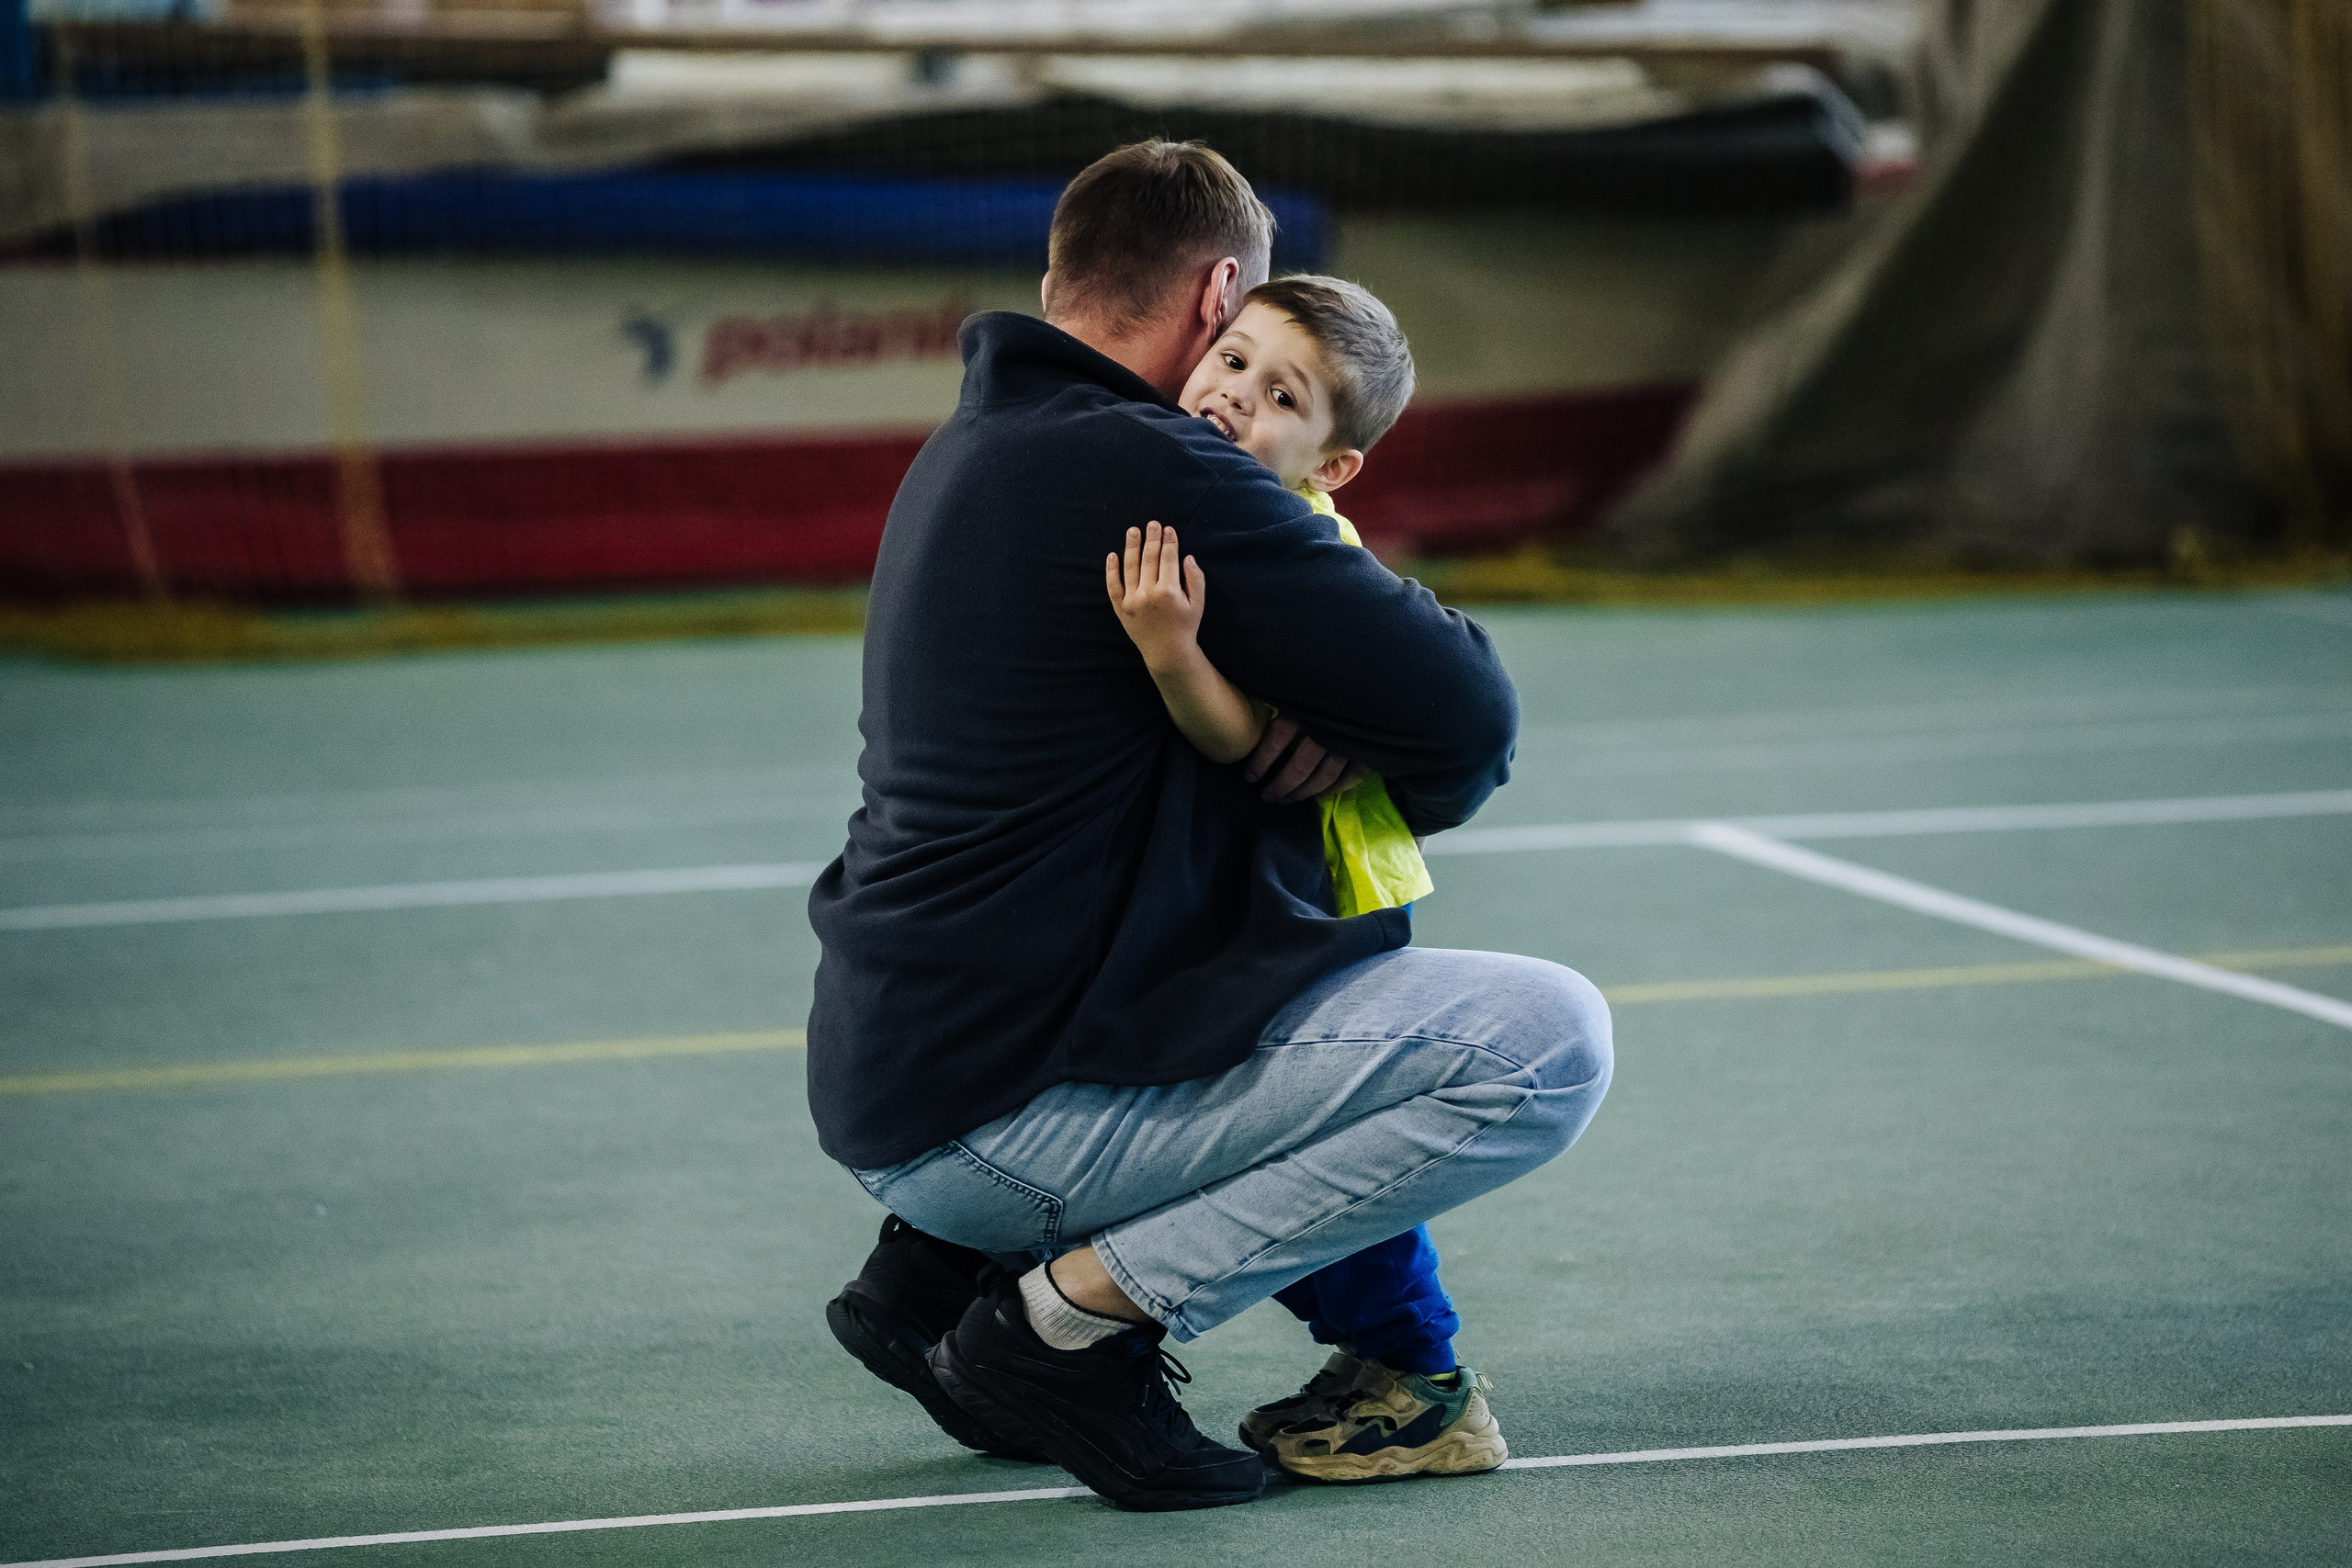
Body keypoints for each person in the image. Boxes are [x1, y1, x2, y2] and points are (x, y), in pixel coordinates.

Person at [808, 141, 1613, 1513]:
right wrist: (1347, 746)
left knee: (1312, 983)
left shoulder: (978, 440)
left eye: (1279, 388)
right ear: (1217, 294)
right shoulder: (1150, 464)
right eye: (1237, 354)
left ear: (1057, 277)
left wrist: (1274, 726)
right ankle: (1068, 1327)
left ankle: (941, 1278)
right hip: (999, 1118)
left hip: (912, 1079)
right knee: (1540, 1045)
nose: (1236, 391)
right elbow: (1470, 721)